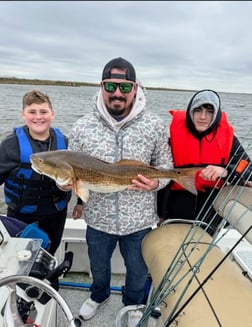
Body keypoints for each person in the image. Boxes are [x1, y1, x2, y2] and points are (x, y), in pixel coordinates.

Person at [66, 57, 173, 327]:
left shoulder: (155, 125)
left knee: (137, 272)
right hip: (98, 220)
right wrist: (64, 184)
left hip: (139, 221)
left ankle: (133, 303)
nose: (117, 93)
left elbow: (166, 167)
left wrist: (156, 184)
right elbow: (68, 170)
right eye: (111, 86)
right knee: (99, 267)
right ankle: (99, 295)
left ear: (135, 88)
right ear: (101, 86)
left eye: (124, 87)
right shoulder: (81, 126)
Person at [157, 89, 252, 236]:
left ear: (216, 115)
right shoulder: (171, 136)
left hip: (210, 211)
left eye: (209, 111)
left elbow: (248, 170)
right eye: (198, 110)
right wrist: (160, 214)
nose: (203, 116)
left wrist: (225, 171)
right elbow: (157, 169)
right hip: (174, 208)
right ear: (190, 112)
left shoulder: (229, 140)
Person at [0, 89, 72, 256]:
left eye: (43, 112)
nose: (38, 117)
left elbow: (82, 174)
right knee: (20, 257)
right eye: (32, 112)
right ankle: (21, 283)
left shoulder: (66, 143)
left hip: (56, 213)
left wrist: (80, 204)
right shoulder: (10, 145)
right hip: (20, 216)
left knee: (49, 253)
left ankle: (47, 281)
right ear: (23, 114)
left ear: (52, 114)